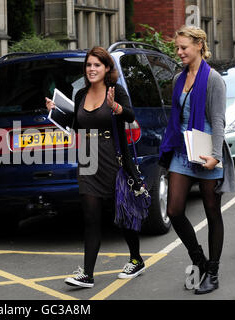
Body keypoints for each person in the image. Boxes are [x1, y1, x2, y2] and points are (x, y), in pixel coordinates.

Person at [45, 46, 145, 288]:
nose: (91, 69)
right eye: (89, 65)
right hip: (88, 161)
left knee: (122, 214)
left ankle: (136, 258)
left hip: (114, 159)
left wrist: (116, 108)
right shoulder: (81, 95)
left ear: (107, 68)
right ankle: (87, 274)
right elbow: (76, 125)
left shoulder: (116, 91)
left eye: (97, 65)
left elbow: (130, 116)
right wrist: (55, 112)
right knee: (91, 218)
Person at [159, 26, 235, 295]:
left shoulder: (214, 79)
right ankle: (199, 261)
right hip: (183, 151)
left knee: (212, 213)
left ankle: (212, 272)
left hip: (207, 152)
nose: (178, 52)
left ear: (199, 46)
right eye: (177, 48)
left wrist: (215, 157)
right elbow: (176, 117)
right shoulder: (179, 79)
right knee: (175, 211)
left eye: (183, 48)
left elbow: (217, 120)